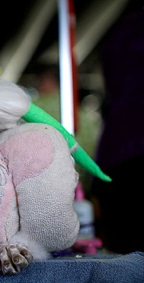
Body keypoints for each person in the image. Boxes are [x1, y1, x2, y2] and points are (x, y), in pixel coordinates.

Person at [90, 9, 144, 254]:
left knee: (126, 250)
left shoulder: (120, 31)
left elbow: (112, 81)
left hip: (119, 148)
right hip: (126, 145)